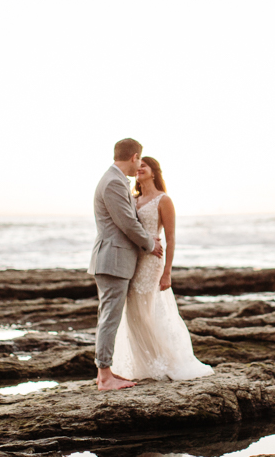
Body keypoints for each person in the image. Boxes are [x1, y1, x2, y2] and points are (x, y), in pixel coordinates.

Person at [111, 156, 214, 381]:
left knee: (149, 311)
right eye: (138, 166)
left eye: (144, 166)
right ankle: (143, 364)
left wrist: (168, 271)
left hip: (152, 262)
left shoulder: (164, 200)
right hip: (132, 259)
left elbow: (171, 239)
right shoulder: (132, 198)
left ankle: (165, 361)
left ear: (154, 172)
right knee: (133, 312)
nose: (139, 169)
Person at [88, 138, 163, 391]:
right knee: (110, 317)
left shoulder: (118, 180)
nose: (139, 166)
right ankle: (105, 376)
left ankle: (104, 373)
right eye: (139, 161)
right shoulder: (112, 182)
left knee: (108, 316)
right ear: (134, 157)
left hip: (115, 260)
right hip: (113, 260)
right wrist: (151, 245)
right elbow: (127, 223)